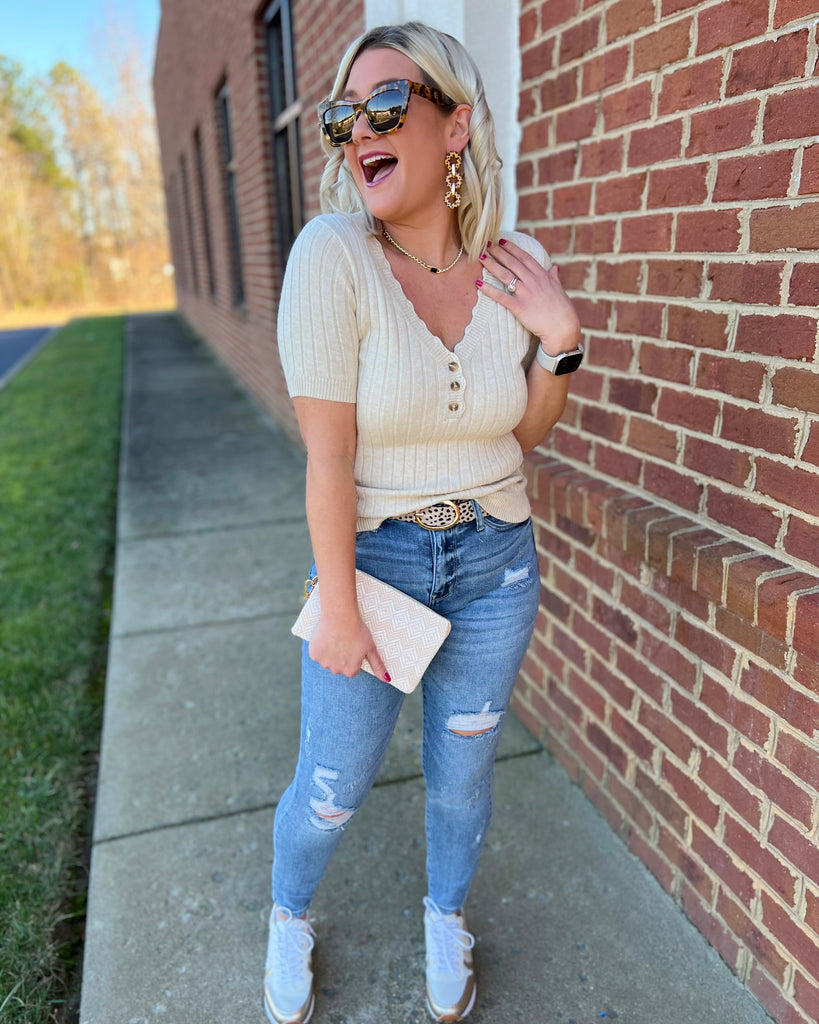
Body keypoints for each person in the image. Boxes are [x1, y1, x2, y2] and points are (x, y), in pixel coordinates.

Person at [266, 20, 582, 1024]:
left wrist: (560, 342)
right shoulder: (333, 257)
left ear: (456, 124)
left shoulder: (515, 263)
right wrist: (341, 607)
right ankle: (287, 912)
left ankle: (446, 914)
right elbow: (328, 457)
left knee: (463, 779)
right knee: (332, 786)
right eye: (344, 117)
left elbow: (519, 434)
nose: (361, 129)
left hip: (496, 564)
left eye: (388, 103)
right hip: (376, 565)